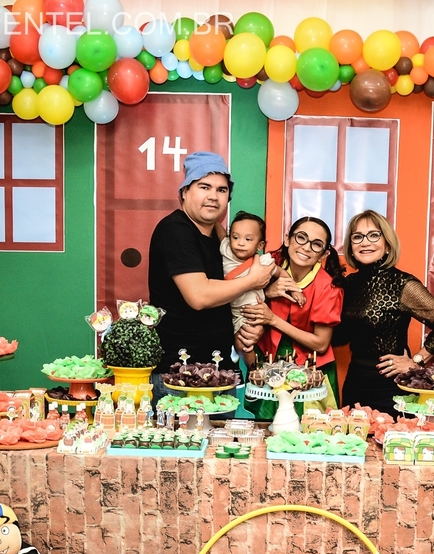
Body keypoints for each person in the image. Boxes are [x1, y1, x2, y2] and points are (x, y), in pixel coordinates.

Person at [147, 151, 300, 371]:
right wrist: (253, 281)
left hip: (220, 365)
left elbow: (230, 289)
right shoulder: (175, 231)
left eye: (221, 190)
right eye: (204, 187)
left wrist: (254, 321)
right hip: (181, 371)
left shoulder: (221, 239)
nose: (213, 196)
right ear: (184, 192)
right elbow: (199, 296)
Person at [336, 210, 434, 414]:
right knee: (351, 434)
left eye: (374, 235)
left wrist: (417, 361)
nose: (365, 242)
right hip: (355, 382)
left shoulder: (402, 284)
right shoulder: (350, 283)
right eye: (357, 237)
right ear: (351, 246)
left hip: (390, 386)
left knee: (392, 435)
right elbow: (342, 335)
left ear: (387, 243)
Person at [241, 217, 345, 416]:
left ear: (324, 254)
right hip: (268, 363)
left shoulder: (329, 287)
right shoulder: (266, 265)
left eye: (316, 244)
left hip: (310, 368)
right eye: (301, 237)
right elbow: (236, 293)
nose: (306, 247)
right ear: (287, 239)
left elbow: (321, 344)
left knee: (306, 428)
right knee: (267, 426)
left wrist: (273, 319)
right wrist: (267, 292)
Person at [222, 211, 274, 334]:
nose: (240, 243)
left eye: (248, 239)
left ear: (260, 245)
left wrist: (294, 288)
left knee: (245, 340)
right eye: (235, 237)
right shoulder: (226, 249)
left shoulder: (262, 261)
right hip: (228, 309)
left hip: (250, 312)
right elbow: (218, 229)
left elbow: (279, 272)